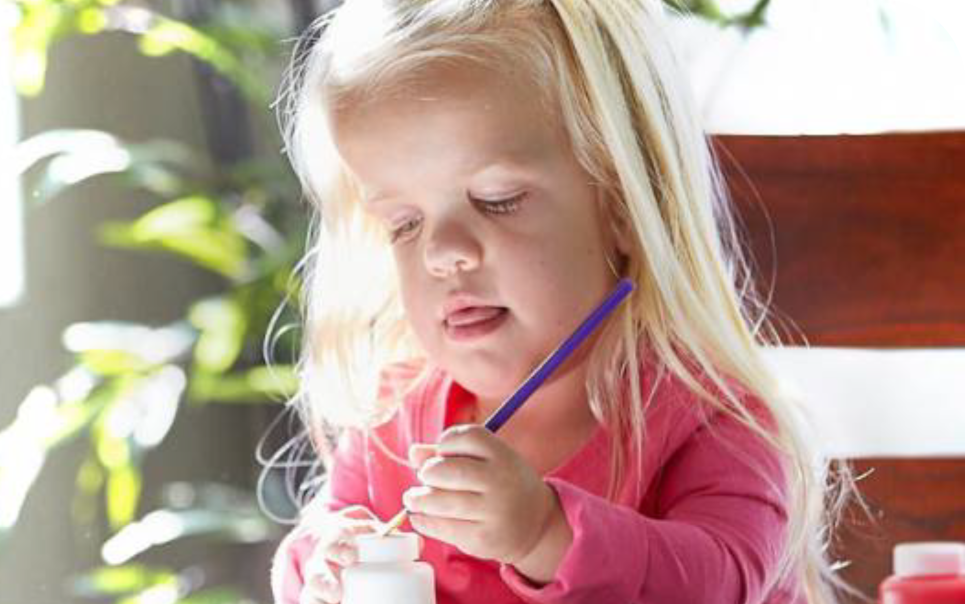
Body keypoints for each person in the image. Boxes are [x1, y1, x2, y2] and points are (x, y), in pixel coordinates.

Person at [264, 1, 860, 603]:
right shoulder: (394, 423)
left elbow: (725, 581)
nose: (443, 252)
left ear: (624, 207)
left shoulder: (709, 419)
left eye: (496, 198)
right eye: (403, 223)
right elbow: (314, 542)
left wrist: (547, 534)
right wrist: (325, 562)